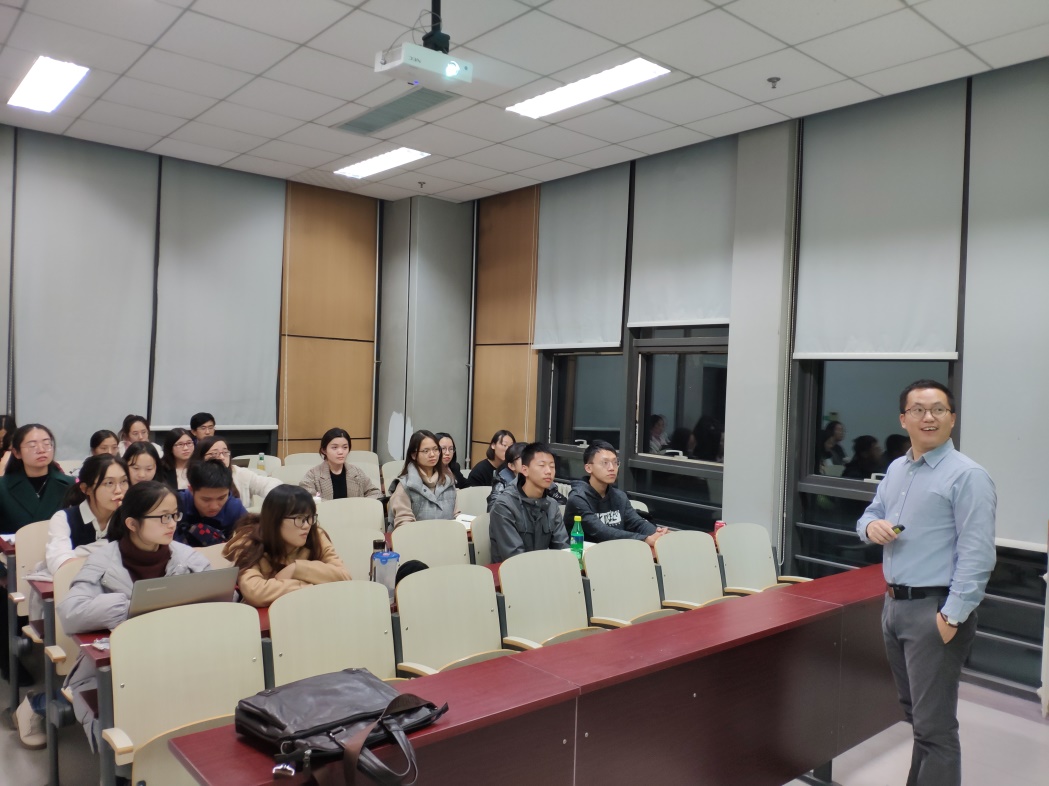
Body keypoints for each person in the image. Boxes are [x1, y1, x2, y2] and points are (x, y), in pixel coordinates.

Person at [857, 380, 996, 786]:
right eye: (918, 409)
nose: (928, 417)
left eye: (938, 409)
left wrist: (951, 616)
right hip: (894, 607)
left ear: (952, 418)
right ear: (904, 419)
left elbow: (978, 555)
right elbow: (870, 514)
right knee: (918, 719)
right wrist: (871, 528)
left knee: (935, 729)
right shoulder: (898, 469)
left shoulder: (968, 476)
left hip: (935, 611)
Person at [55, 481, 211, 748]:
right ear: (132, 523)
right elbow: (71, 612)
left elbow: (221, 597)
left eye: (174, 515)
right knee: (142, 722)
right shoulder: (103, 560)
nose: (172, 524)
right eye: (162, 517)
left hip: (176, 658)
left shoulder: (185, 556)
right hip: (117, 667)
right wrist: (134, 606)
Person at [0, 424, 74, 685]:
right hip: (11, 568)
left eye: (47, 443)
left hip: (57, 565)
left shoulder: (70, 485)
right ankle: (8, 660)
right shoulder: (3, 487)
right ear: (16, 453)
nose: (41, 449)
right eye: (32, 445)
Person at [223, 485, 349, 607]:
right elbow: (255, 592)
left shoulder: (315, 535)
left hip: (308, 609)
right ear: (275, 520)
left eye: (310, 518)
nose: (307, 525)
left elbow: (344, 577)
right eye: (299, 518)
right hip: (264, 618)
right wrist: (312, 586)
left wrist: (297, 568)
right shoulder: (248, 540)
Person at [565, 440, 668, 549]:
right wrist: (645, 539)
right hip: (585, 555)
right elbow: (601, 531)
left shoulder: (619, 496)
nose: (612, 468)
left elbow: (637, 523)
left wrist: (658, 533)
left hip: (617, 552)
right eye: (605, 463)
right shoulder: (578, 498)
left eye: (615, 462)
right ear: (588, 468)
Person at [46, 454, 129, 575]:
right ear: (86, 489)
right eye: (109, 483)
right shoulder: (63, 519)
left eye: (123, 481)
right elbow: (59, 563)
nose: (118, 490)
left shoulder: (129, 519)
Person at [489, 442, 569, 562]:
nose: (548, 471)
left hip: (540, 568)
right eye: (542, 465)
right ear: (525, 470)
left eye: (552, 466)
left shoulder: (552, 505)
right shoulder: (504, 506)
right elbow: (515, 557)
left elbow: (562, 548)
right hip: (509, 570)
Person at [387, 430, 458, 528]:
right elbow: (404, 526)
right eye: (426, 451)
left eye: (435, 449)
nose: (432, 454)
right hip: (415, 537)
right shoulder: (404, 486)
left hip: (446, 535)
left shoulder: (448, 481)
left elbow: (456, 515)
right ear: (414, 455)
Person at [194, 436, 281, 509]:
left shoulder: (240, 473)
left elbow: (271, 485)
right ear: (201, 457)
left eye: (225, 452)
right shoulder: (193, 477)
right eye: (214, 454)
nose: (222, 457)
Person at [175, 459, 248, 546]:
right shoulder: (176, 504)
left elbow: (251, 536)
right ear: (191, 490)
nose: (214, 506)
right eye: (206, 499)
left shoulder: (234, 507)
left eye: (221, 498)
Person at [299, 428, 381, 501]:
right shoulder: (313, 475)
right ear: (324, 450)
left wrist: (360, 504)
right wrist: (336, 507)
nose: (341, 452)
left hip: (354, 513)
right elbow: (306, 498)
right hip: (327, 513)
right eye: (334, 447)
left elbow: (375, 493)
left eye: (345, 447)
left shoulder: (357, 472)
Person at [487, 441, 526, 511]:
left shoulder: (539, 480)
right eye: (525, 459)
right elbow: (493, 509)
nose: (529, 463)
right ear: (511, 466)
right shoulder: (502, 482)